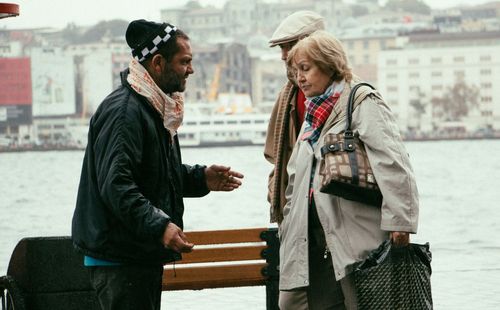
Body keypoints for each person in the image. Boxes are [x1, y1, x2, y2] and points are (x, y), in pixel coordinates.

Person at [71, 19, 243, 310]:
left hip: (134, 253)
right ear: (159, 62)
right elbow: (117, 185)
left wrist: (202, 179)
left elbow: (154, 174)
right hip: (120, 258)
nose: (191, 69)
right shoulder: (126, 113)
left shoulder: (152, 106)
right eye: (184, 61)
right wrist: (160, 227)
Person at [278, 30, 419, 309]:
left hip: (355, 235)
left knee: (362, 302)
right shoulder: (312, 116)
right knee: (291, 304)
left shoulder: (361, 101)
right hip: (311, 240)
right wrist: (287, 225)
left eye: (305, 69)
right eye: (296, 71)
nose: (299, 78)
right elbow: (295, 178)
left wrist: (400, 222)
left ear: (329, 64)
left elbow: (393, 162)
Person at [264, 11, 325, 225]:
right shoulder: (288, 95)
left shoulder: (352, 95)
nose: (283, 55)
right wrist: (275, 188)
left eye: (287, 46)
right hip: (297, 212)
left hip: (334, 211)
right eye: (281, 48)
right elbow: (279, 156)